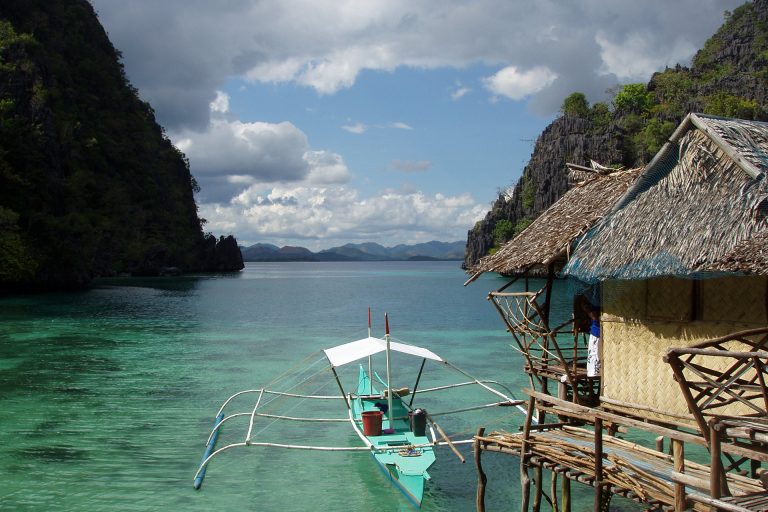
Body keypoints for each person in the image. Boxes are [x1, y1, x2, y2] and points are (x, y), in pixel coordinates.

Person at [586, 305, 600, 377]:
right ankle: (594, 371)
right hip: (597, 333)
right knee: (594, 354)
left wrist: (588, 311)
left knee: (595, 354)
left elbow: (594, 316)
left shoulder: (596, 307)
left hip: (596, 334)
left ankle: (594, 372)